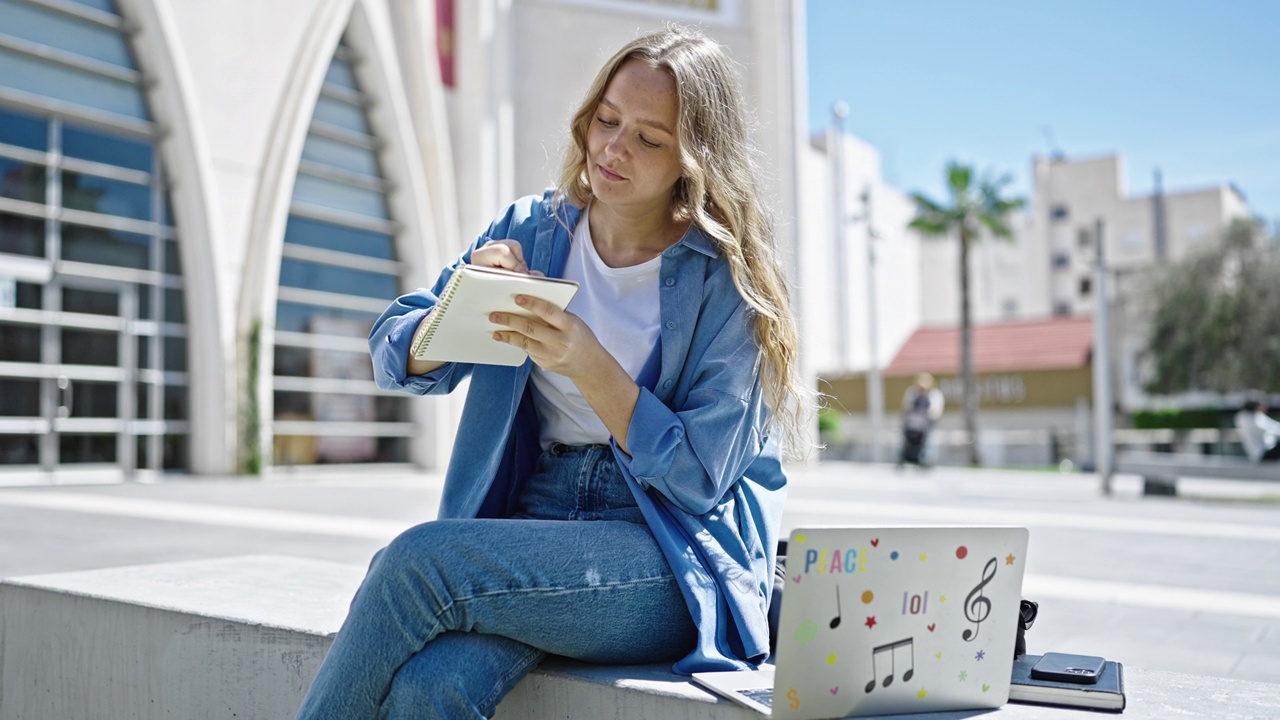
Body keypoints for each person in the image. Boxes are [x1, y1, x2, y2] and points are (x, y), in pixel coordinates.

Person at [295, 26, 812, 720]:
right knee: (430, 688)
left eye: (648, 138)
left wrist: (589, 364)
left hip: (664, 553)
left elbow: (698, 477)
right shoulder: (534, 230)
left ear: (693, 160)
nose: (612, 148)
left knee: (416, 563)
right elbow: (395, 354)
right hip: (536, 520)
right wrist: (462, 307)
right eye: (606, 119)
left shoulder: (725, 281)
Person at [898, 372, 943, 467]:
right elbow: (906, 408)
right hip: (913, 423)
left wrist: (926, 414)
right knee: (908, 440)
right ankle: (906, 457)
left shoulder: (934, 395)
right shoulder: (912, 393)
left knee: (928, 440)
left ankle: (927, 459)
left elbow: (936, 411)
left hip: (927, 422)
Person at [1234, 391, 1280, 462]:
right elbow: (1276, 428)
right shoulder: (1256, 418)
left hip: (1256, 455)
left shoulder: (1240, 417)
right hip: (1262, 454)